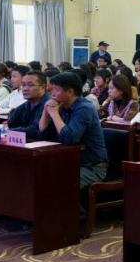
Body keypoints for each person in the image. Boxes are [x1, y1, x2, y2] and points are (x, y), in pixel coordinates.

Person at [38, 72, 109, 207]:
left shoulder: (85, 108)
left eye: (56, 90)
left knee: (57, 182)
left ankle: (77, 215)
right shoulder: (61, 106)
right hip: (69, 162)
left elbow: (69, 138)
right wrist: (45, 113)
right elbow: (43, 134)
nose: (52, 93)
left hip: (92, 167)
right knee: (38, 174)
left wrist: (54, 114)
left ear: (70, 92)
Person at [1, 71, 50, 139]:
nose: (25, 89)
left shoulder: (49, 105)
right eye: (23, 85)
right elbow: (10, 124)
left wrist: (7, 131)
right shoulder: (24, 106)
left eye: (30, 85)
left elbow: (35, 130)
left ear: (43, 87)